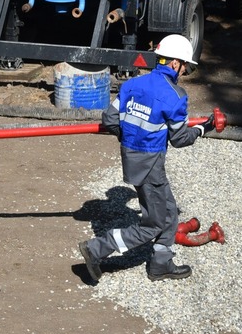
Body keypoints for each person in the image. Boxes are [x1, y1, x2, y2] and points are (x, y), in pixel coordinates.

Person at [78, 34, 213, 283]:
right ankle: (96, 249)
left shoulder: (131, 85)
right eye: (185, 66)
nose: (184, 71)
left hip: (132, 159)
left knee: (169, 210)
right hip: (151, 166)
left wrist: (131, 139)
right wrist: (204, 128)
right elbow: (180, 139)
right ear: (174, 63)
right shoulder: (175, 96)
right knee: (153, 224)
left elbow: (109, 120)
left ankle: (161, 263)